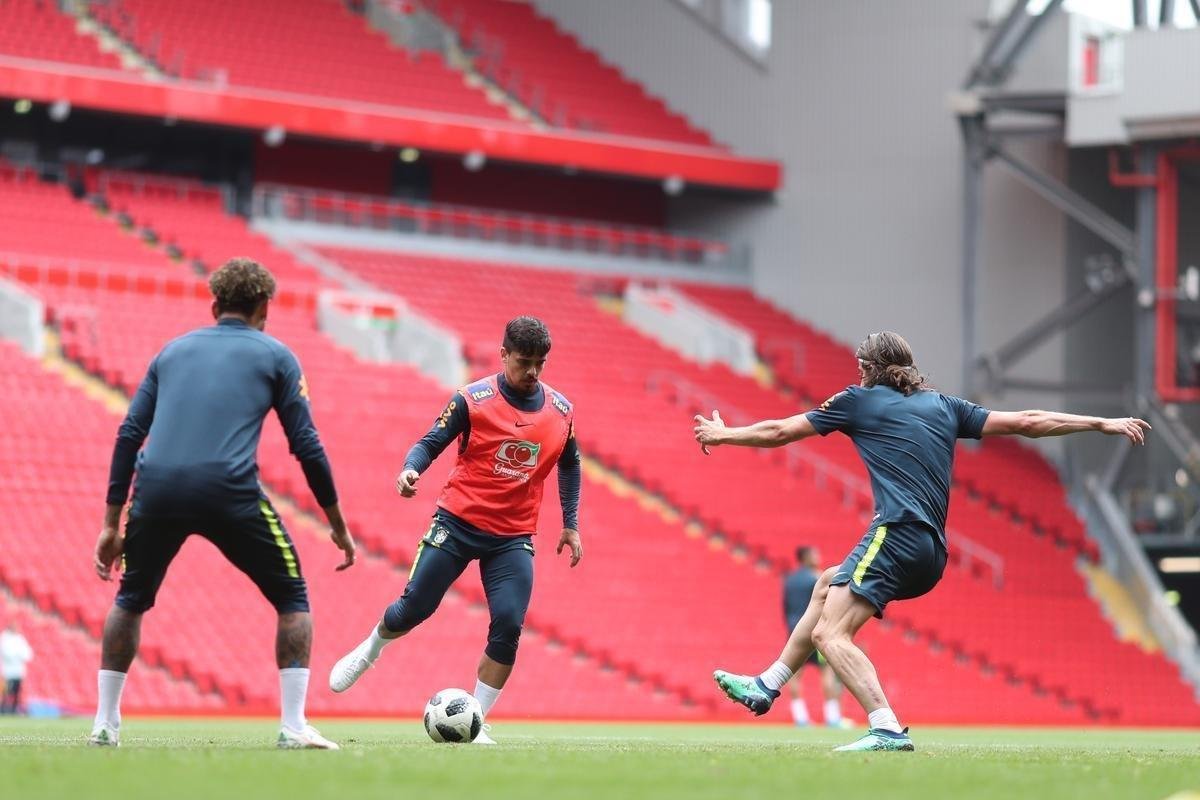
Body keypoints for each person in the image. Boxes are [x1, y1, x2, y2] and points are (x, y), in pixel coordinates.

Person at [693, 331, 1149, 752]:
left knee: (829, 634)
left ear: (873, 369)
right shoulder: (945, 406)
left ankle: (885, 726)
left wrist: (724, 434)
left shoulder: (859, 401)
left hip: (896, 532)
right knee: (827, 583)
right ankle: (768, 685)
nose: (857, 372)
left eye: (861, 364)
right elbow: (1028, 421)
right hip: (931, 554)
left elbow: (780, 432)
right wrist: (1101, 424)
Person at [91, 258, 356, 749]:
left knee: (129, 599)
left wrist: (111, 521)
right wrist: (337, 522)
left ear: (215, 306)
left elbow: (130, 433)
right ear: (263, 309)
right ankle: (293, 726)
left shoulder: (170, 353)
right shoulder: (276, 355)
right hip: (228, 489)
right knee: (292, 598)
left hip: (157, 488)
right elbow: (306, 444)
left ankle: (105, 725)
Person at [329, 316, 582, 745]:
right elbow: (430, 441)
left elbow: (570, 463)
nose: (533, 371)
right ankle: (371, 648)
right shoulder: (473, 399)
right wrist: (411, 469)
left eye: (541, 362)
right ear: (503, 355)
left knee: (509, 623)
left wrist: (571, 523)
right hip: (458, 523)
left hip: (512, 537)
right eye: (525, 361)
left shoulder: (561, 411)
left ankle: (477, 720)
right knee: (414, 609)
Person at [782, 546, 843, 727]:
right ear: (806, 557)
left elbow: (785, 608)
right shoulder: (818, 578)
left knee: (793, 674)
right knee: (827, 672)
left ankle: (800, 718)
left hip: (794, 630)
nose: (818, 556)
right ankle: (833, 718)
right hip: (815, 630)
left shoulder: (789, 580)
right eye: (815, 554)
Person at [1, 621, 33, 714]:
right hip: (7, 671)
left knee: (16, 692)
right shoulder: (4, 638)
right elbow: (7, 653)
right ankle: (4, 708)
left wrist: (18, 655)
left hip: (18, 671)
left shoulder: (20, 639)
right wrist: (17, 655)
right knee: (6, 691)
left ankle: (14, 708)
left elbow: (27, 653)